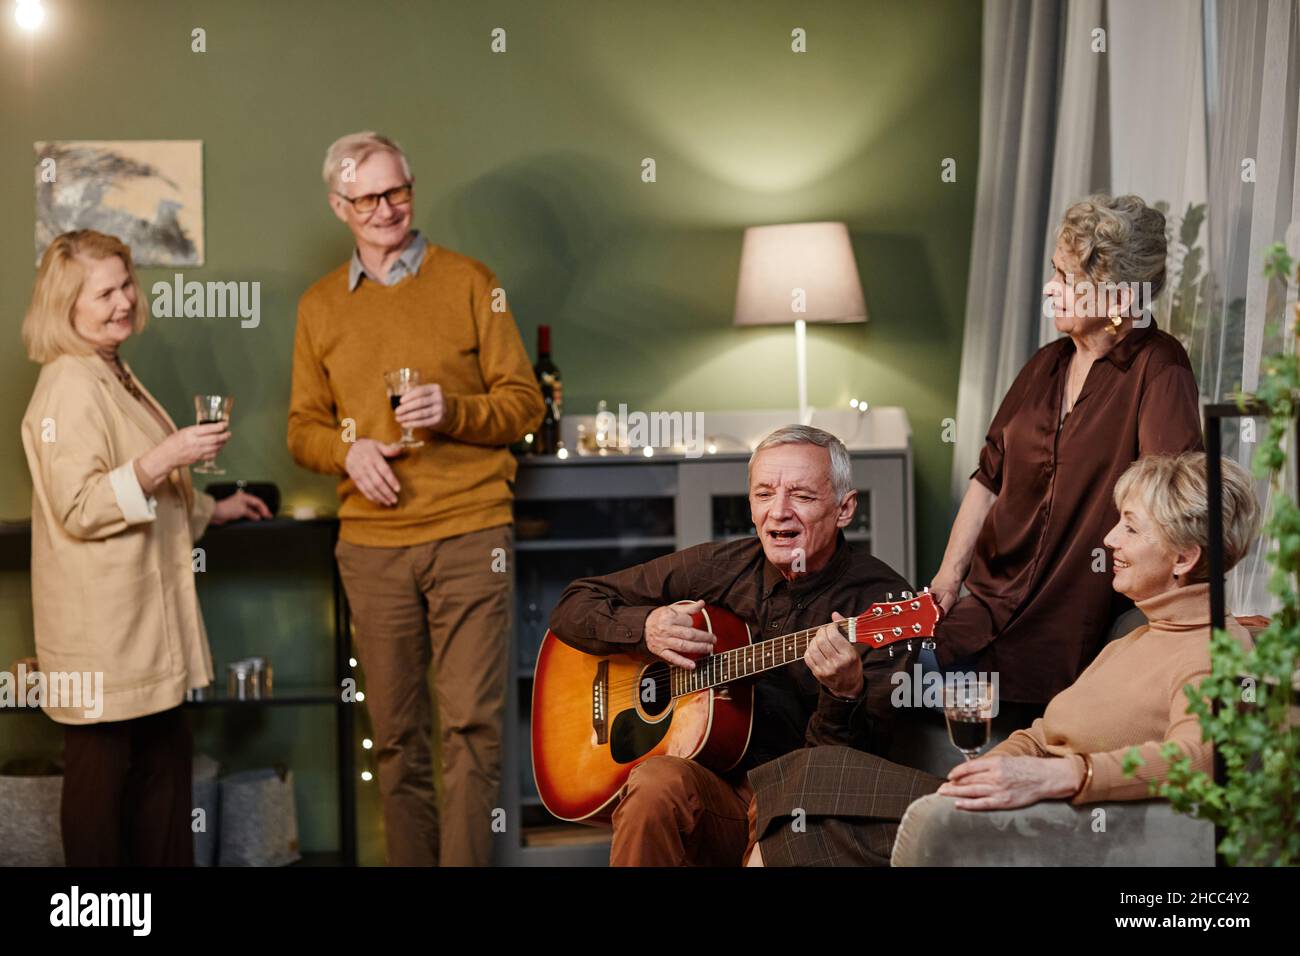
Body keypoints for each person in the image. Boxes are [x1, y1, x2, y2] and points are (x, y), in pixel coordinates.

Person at [746, 451, 1259, 866]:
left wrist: (1067, 775)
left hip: (1054, 827)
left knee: (809, 792)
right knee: (807, 784)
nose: (1109, 540)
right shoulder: (1138, 636)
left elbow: (1201, 759)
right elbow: (1039, 734)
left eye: (1130, 527)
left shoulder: (1213, 649)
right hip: (1018, 801)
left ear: (1184, 558)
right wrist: (996, 766)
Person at [288, 132, 545, 866]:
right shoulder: (318, 309)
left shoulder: (471, 281)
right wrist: (350, 450)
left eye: (397, 190)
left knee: (471, 728)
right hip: (372, 545)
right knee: (397, 737)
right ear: (340, 206)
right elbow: (302, 429)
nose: (387, 208)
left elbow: (523, 404)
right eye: (367, 196)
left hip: (470, 532)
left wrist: (454, 411)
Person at [548, 425, 915, 866]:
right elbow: (575, 602)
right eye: (764, 495)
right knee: (655, 784)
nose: (779, 513)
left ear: (844, 508)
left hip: (802, 801)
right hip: (716, 789)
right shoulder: (720, 566)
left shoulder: (883, 604)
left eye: (801, 495)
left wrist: (844, 694)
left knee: (800, 800)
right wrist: (645, 627)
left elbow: (862, 771)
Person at [20, 229, 270, 866]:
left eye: (125, 283)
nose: (122, 301)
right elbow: (78, 508)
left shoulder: (112, 369)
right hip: (105, 638)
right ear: (65, 305)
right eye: (103, 292)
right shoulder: (68, 386)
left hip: (142, 635)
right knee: (104, 801)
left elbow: (149, 495)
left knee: (161, 785)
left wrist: (216, 505)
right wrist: (168, 456)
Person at [928, 194, 1204, 712]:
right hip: (981, 613)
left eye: (1068, 280)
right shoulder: (1046, 364)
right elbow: (989, 477)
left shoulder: (1159, 369)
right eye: (1054, 271)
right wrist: (947, 581)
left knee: (883, 689)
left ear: (1121, 301)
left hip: (1062, 636)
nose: (1049, 290)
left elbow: (1168, 510)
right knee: (876, 674)